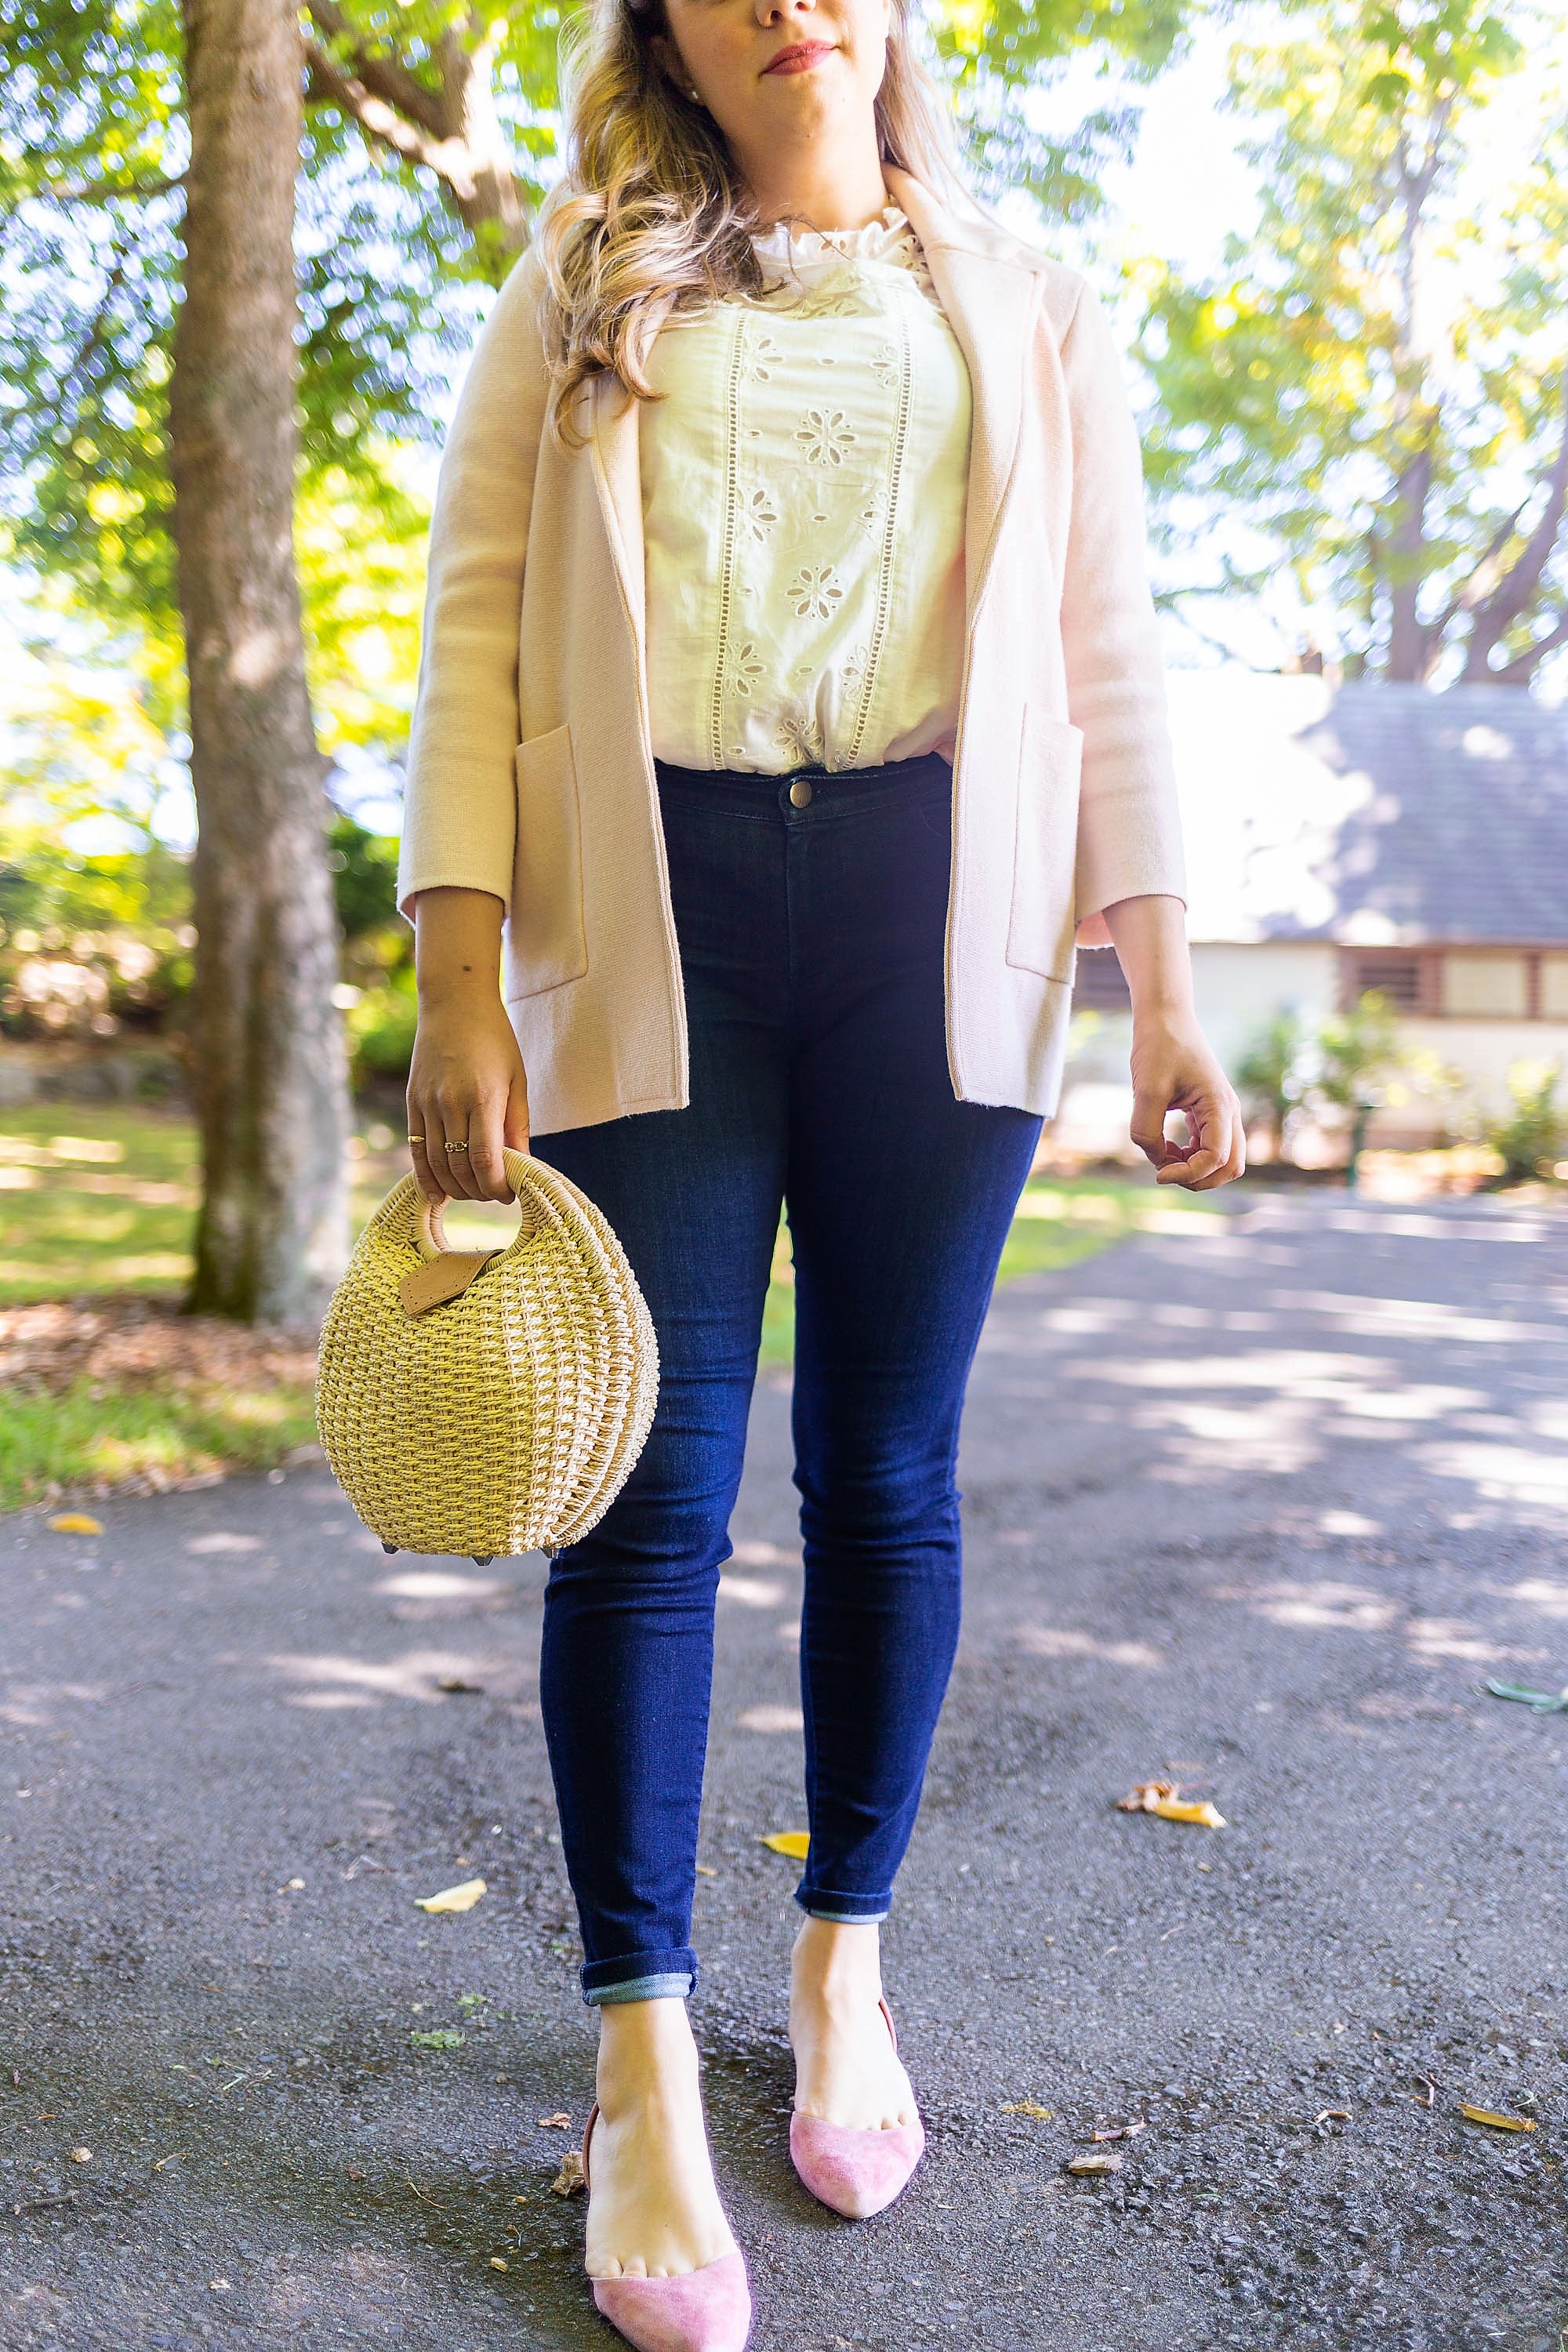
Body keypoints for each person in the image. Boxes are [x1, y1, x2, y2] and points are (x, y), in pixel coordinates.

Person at [395, 0, 1245, 2340]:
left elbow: (1111, 662)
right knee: (645, 1493)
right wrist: (456, 972)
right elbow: (472, 636)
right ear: (666, 24)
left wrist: (1166, 978)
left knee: (886, 1468)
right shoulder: (579, 282)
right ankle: (641, 2046)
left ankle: (846, 1959)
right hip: (647, 907)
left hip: (937, 912)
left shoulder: (1036, 305)